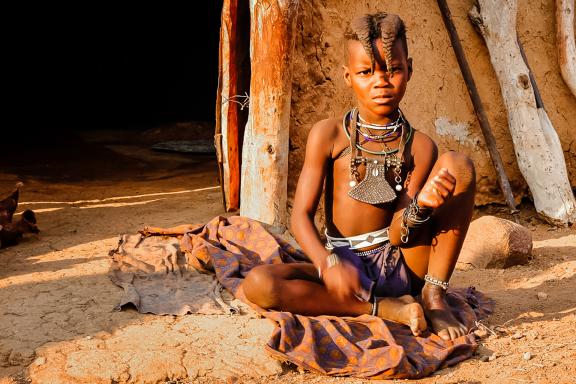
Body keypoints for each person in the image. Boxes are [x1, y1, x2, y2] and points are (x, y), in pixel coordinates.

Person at [243, 12, 476, 341]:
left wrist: (421, 206)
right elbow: (300, 217)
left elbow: (398, 234)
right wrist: (327, 264)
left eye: (393, 70)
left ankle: (433, 297)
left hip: (403, 262)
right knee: (259, 283)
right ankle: (382, 309)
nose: (381, 81)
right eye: (367, 72)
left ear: (409, 68)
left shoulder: (420, 146)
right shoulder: (329, 135)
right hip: (345, 265)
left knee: (459, 164)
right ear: (347, 76)